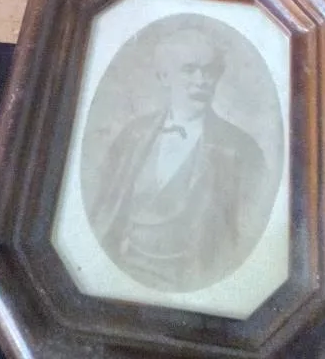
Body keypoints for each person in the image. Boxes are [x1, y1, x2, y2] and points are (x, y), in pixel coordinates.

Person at [87, 26, 271, 291]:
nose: (201, 81)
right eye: (189, 70)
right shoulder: (134, 136)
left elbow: (248, 235)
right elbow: (103, 212)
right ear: (164, 77)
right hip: (122, 275)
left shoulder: (241, 149)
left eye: (209, 71)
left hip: (197, 282)